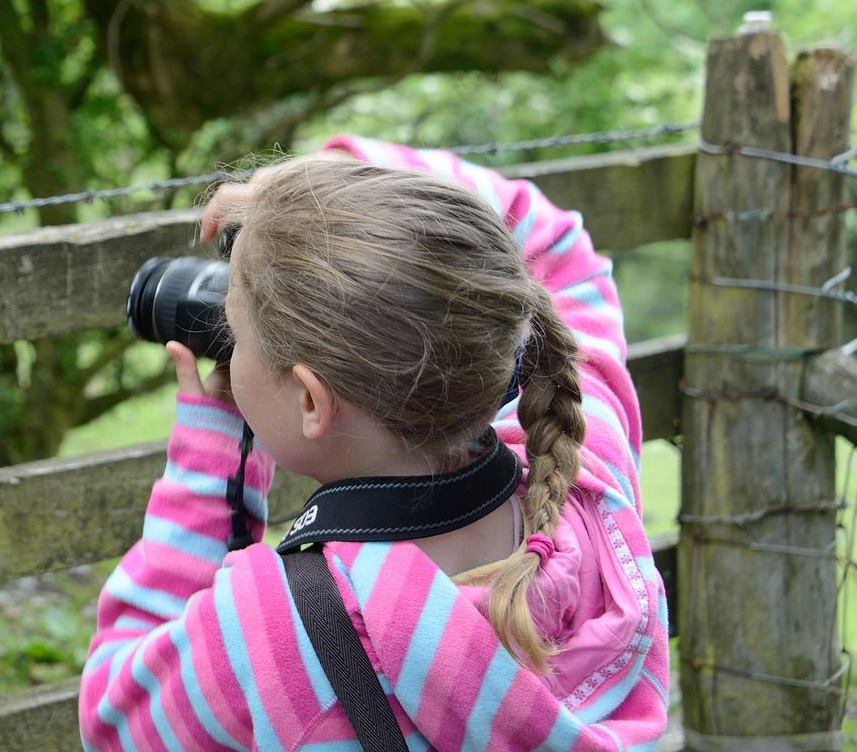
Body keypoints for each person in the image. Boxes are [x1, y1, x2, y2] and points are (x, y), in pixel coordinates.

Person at [80, 137, 670, 750]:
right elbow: (560, 246)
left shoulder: (271, 628)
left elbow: (114, 720)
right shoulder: (590, 486)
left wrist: (210, 459)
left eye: (234, 331)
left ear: (310, 400)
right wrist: (343, 180)